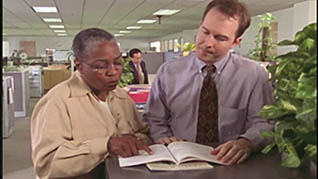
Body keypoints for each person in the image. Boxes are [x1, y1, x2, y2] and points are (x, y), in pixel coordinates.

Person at [143, 0, 274, 166]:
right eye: (205, 32)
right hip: (179, 162)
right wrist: (164, 138)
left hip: (230, 164)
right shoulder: (169, 72)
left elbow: (264, 122)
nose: (208, 43)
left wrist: (246, 142)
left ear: (235, 42)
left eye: (220, 38)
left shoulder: (254, 75)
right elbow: (154, 119)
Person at [31, 28, 152, 179]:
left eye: (117, 63)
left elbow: (143, 132)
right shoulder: (57, 101)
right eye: (101, 66)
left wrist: (144, 139)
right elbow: (47, 165)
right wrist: (106, 146)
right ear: (79, 66)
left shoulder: (122, 97)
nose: (113, 72)